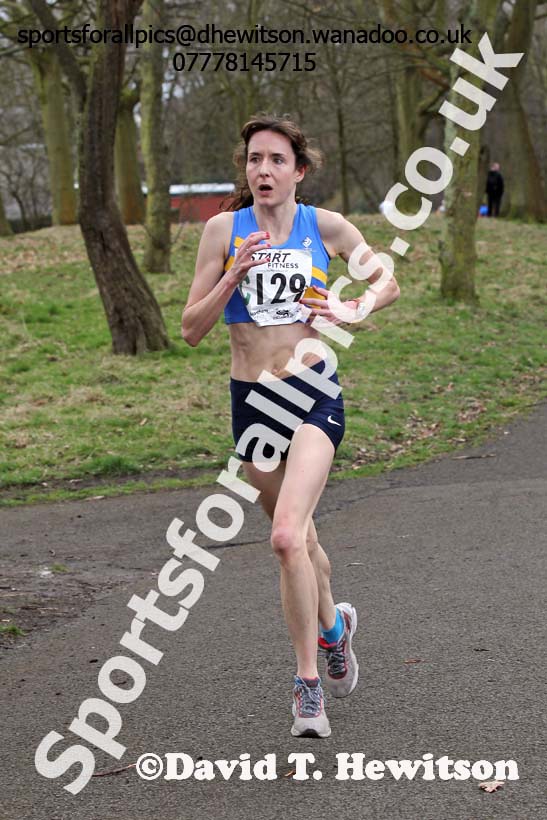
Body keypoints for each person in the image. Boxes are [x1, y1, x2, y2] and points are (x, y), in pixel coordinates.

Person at [181, 114, 400, 738]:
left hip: (311, 396)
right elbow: (191, 330)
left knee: (283, 538)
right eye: (254, 160)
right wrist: (233, 274)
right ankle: (335, 628)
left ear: (297, 172)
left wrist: (354, 305)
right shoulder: (224, 230)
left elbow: (387, 280)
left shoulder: (323, 226)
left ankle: (308, 685)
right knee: (302, 544)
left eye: (277, 160)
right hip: (252, 404)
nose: (263, 171)